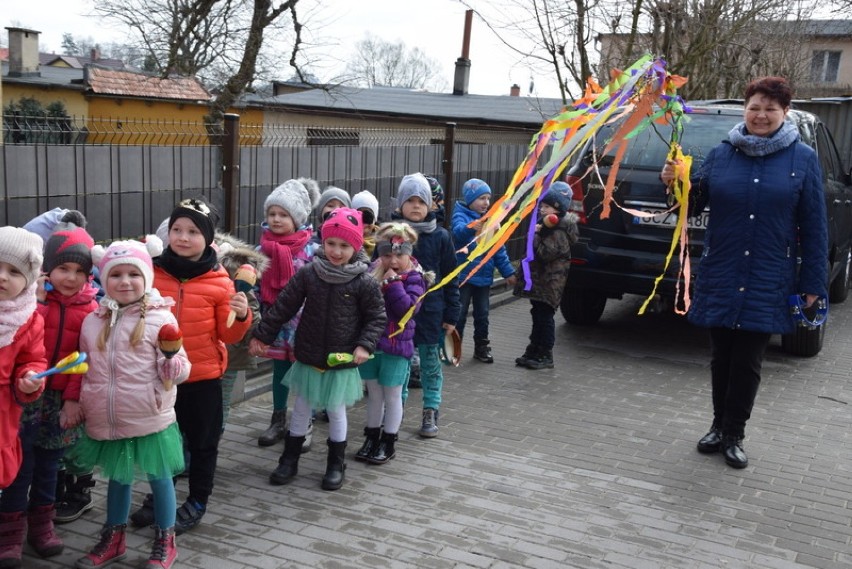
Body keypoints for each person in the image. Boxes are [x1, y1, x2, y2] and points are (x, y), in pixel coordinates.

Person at [660, 76, 828, 469]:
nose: (761, 115)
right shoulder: (722, 153)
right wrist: (673, 182)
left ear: (784, 113)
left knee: (749, 358)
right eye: (755, 107)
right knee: (721, 355)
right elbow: (693, 201)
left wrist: (813, 283)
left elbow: (816, 226)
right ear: (745, 110)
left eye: (771, 108)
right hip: (723, 267)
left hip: (769, 273)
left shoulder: (802, 158)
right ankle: (717, 425)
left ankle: (735, 432)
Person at [129, 198, 251, 535]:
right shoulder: (152, 272)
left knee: (202, 443)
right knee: (162, 441)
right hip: (161, 376)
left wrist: (241, 315)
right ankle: (159, 498)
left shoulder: (220, 281)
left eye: (193, 231)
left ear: (209, 239)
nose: (183, 237)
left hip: (202, 375)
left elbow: (228, 333)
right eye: (176, 230)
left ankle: (197, 501)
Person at [71, 237, 191, 569]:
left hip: (149, 414)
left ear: (147, 278)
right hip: (109, 416)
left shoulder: (160, 319)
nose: (125, 282)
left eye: (133, 274)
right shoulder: (93, 319)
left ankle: (165, 540)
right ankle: (114, 538)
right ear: (103, 278)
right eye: (116, 275)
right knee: (118, 478)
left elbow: (180, 370)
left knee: (158, 476)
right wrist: (80, 402)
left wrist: (170, 360)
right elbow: (85, 367)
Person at [249, 208, 386, 491]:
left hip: (341, 358)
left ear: (356, 246)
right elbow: (284, 305)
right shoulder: (310, 273)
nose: (336, 251)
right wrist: (262, 335)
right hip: (310, 354)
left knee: (336, 411)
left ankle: (336, 463)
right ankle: (289, 459)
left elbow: (376, 317)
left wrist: (364, 345)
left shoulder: (364, 281)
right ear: (322, 243)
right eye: (331, 243)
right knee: (301, 408)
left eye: (344, 245)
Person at [0, 217, 98, 565]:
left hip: (58, 401)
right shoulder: (31, 304)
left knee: (49, 466)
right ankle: (10, 533)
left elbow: (86, 364)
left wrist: (72, 400)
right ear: (47, 269)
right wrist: (37, 298)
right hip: (24, 399)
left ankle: (42, 526)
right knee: (18, 466)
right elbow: (26, 352)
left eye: (79, 271)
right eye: (62, 268)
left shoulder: (91, 310)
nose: (70, 278)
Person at [391, 173, 460, 438]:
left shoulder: (442, 237)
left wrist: (452, 314)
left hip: (431, 313)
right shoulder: (393, 235)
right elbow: (378, 270)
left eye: (422, 200)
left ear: (432, 205)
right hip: (399, 314)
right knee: (401, 364)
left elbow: (451, 278)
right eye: (410, 200)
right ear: (400, 205)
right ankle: (397, 409)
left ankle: (430, 410)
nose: (416, 206)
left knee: (431, 363)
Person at [355, 223, 429, 464]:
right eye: (387, 255)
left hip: (397, 348)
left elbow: (407, 309)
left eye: (399, 254)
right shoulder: (372, 274)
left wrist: (393, 283)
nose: (393, 260)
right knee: (374, 394)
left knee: (393, 395)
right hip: (373, 345)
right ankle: (371, 436)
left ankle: (388, 440)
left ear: (409, 253)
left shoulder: (415, 278)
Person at [255, 179, 320, 449]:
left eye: (283, 215)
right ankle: (278, 418)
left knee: (305, 371)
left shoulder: (312, 251)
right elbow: (256, 286)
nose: (276, 219)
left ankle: (304, 422)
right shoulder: (261, 251)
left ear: (298, 218)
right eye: (272, 214)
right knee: (279, 370)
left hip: (304, 322)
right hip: (276, 322)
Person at [0, 227, 48, 566]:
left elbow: (33, 360)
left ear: (29, 279)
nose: (2, 277)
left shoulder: (29, 319)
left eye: (14, 271)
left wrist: (28, 380)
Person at [451, 178, 517, 363]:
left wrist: (508, 273)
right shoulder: (460, 215)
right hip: (464, 277)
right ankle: (454, 348)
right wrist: (472, 228)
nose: (486, 203)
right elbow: (457, 233)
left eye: (488, 198)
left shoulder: (492, 221)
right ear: (470, 199)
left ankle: (481, 347)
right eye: (481, 198)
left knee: (483, 315)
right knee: (460, 314)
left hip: (484, 278)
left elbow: (498, 250)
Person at [513, 187, 579, 370]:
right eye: (542, 205)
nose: (542, 209)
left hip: (550, 284)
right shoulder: (548, 228)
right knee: (537, 314)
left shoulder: (559, 233)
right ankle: (533, 348)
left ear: (557, 210)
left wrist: (535, 235)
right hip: (541, 282)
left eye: (547, 206)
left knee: (545, 317)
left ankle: (545, 353)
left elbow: (543, 254)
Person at [214, 232, 268, 431]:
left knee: (221, 404)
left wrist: (245, 317)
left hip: (230, 353)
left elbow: (252, 310)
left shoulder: (231, 266)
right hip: (198, 354)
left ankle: (212, 447)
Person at [352, 190, 380, 258]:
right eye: (359, 213)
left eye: (368, 215)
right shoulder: (348, 242)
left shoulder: (383, 240)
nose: (364, 220)